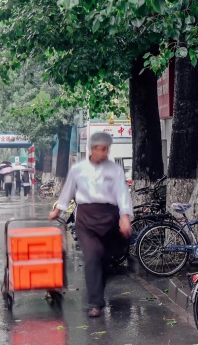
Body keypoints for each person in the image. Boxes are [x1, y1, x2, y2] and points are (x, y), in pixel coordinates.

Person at [49, 132, 133, 318]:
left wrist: (124, 216)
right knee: (93, 256)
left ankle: (97, 292)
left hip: (109, 218)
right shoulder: (78, 169)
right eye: (100, 149)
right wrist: (58, 210)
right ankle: (95, 303)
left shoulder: (115, 170)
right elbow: (68, 191)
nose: (104, 153)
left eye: (106, 150)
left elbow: (122, 194)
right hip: (86, 220)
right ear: (92, 149)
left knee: (104, 260)